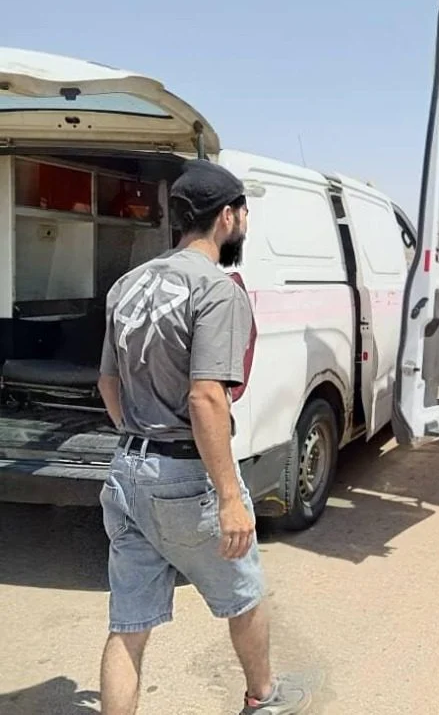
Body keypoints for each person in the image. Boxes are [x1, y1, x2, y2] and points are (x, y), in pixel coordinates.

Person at [96, 159, 312, 714]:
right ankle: (263, 698)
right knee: (245, 594)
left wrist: (137, 438)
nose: (245, 224)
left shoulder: (126, 285)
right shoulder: (217, 291)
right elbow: (206, 398)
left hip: (127, 469)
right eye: (244, 214)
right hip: (185, 476)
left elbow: (108, 383)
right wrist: (231, 497)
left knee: (128, 626)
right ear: (227, 217)